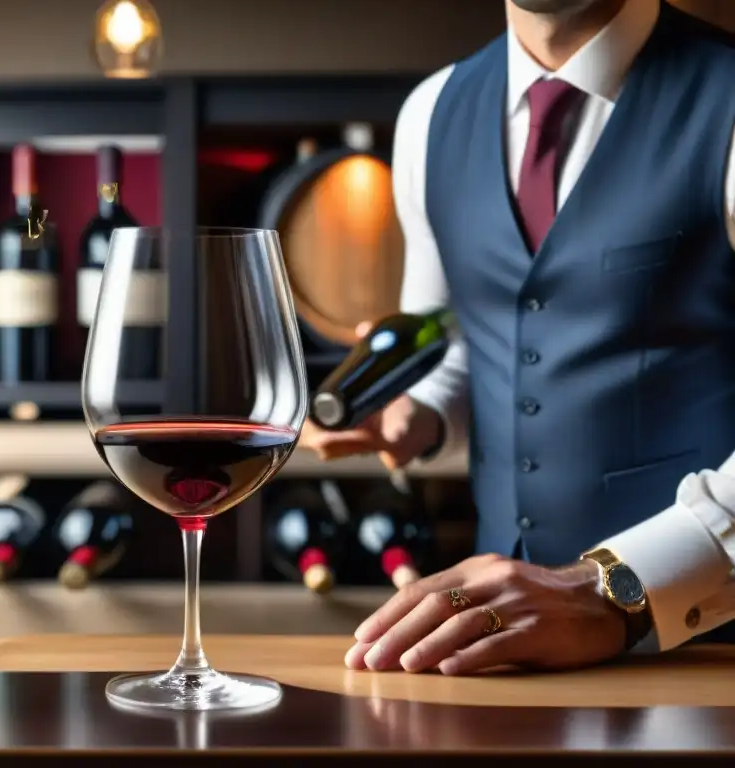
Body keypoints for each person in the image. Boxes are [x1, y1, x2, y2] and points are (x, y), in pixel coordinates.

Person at [301, 0, 735, 675]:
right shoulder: (431, 113)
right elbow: (457, 338)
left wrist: (613, 589)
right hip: (500, 654)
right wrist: (415, 414)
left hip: (707, 657)